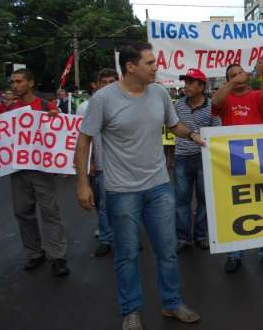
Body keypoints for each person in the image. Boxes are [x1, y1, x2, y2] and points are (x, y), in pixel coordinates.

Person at [74, 42, 202, 329]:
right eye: (150, 63)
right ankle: (131, 311)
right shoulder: (103, 99)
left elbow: (173, 125)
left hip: (159, 187)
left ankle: (172, 303)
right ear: (131, 66)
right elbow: (83, 142)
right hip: (121, 191)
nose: (156, 67)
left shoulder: (159, 93)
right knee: (127, 254)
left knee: (167, 251)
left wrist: (193, 135)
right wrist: (83, 183)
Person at [0, 69, 70, 276]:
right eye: (13, 82)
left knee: (50, 212)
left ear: (31, 82)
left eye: (19, 81)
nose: (14, 86)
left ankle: (58, 256)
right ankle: (34, 253)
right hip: (18, 170)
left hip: (41, 170)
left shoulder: (45, 106)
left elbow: (59, 129)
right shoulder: (9, 109)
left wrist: (55, 117)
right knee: (22, 212)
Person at [211, 61, 263, 273]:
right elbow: (215, 103)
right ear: (228, 80)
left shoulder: (256, 95)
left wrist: (261, 77)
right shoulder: (225, 97)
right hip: (232, 162)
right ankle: (234, 253)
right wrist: (232, 83)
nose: (237, 76)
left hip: (259, 159)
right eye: (232, 75)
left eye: (240, 73)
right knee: (235, 207)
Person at [174, 68, 220, 253]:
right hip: (182, 157)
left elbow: (217, 132)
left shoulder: (213, 107)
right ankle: (183, 238)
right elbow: (172, 127)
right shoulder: (178, 105)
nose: (186, 86)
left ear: (202, 86)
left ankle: (200, 236)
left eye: (191, 82)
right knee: (181, 200)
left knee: (204, 199)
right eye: (185, 82)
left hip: (204, 159)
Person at [77, 68, 119, 257]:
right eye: (105, 82)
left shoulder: (127, 103)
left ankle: (127, 238)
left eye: (112, 82)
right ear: (97, 84)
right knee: (103, 205)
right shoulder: (86, 107)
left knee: (128, 204)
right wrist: (90, 163)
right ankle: (106, 239)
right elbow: (82, 139)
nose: (108, 86)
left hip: (124, 166)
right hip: (101, 164)